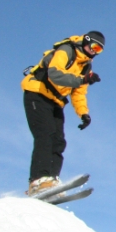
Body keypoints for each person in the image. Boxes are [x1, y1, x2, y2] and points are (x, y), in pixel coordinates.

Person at [21, 31, 104, 196]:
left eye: (99, 50)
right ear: (86, 41)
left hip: (56, 101)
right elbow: (55, 74)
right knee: (45, 135)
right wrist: (82, 80)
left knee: (58, 141)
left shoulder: (85, 65)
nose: (95, 51)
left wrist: (83, 113)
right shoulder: (67, 50)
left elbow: (78, 93)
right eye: (94, 46)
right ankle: (38, 181)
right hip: (37, 94)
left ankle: (51, 181)